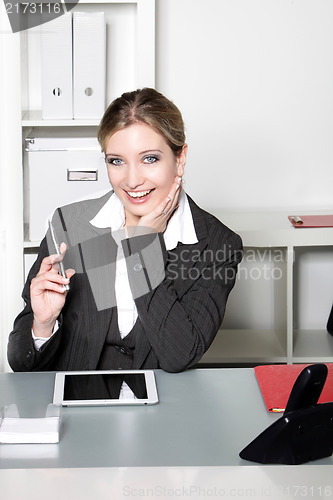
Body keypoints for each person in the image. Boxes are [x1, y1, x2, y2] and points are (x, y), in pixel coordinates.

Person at [8, 88, 243, 373]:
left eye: (150, 159)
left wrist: (143, 247)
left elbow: (179, 354)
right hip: (77, 407)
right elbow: (22, 364)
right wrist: (42, 325)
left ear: (180, 158)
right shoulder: (70, 225)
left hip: (165, 409)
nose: (132, 181)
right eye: (116, 161)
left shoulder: (216, 244)